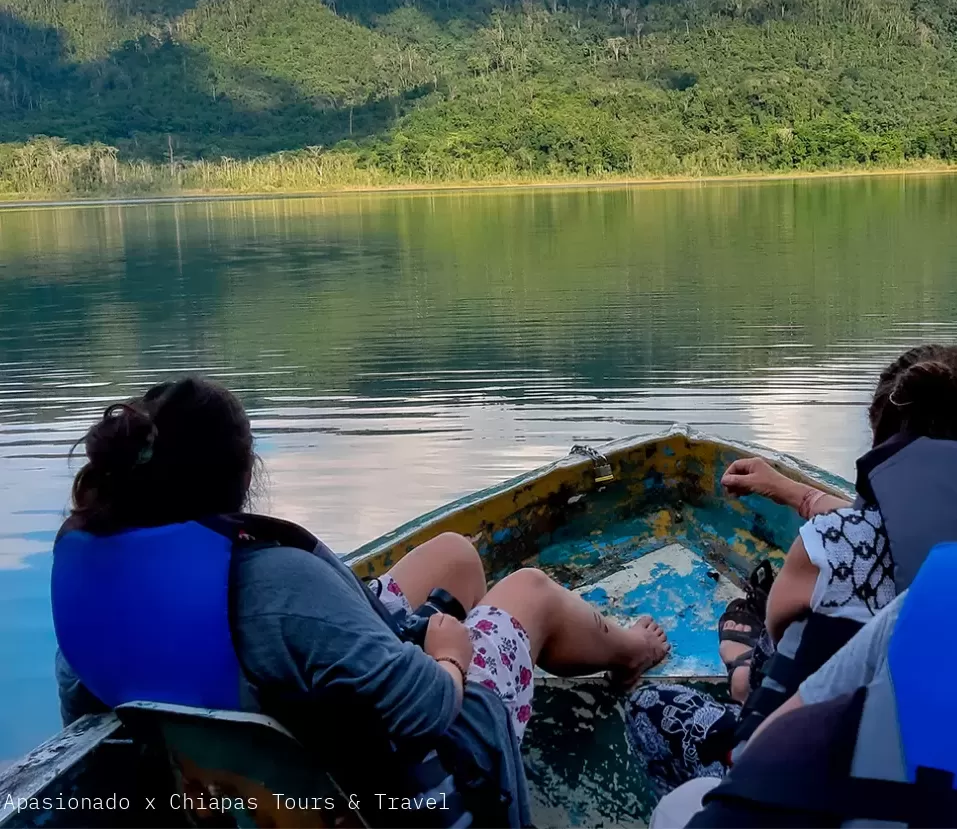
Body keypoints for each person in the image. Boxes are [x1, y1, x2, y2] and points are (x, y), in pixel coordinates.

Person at [51, 377, 670, 828]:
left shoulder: (94, 582)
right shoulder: (277, 586)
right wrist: (451, 656)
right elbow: (426, 708)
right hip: (382, 785)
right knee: (529, 592)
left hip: (225, 783)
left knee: (455, 553)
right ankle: (630, 650)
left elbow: (88, 721)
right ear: (240, 480)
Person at [626, 344, 957, 796]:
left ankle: (739, 679)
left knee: (650, 706)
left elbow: (781, 638)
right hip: (927, 785)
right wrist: (794, 493)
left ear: (883, 441)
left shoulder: (832, 545)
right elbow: (904, 532)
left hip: (798, 776)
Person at [649, 541, 957, 828]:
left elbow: (790, 724)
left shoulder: (942, 592)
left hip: (792, 796)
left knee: (649, 712)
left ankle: (743, 680)